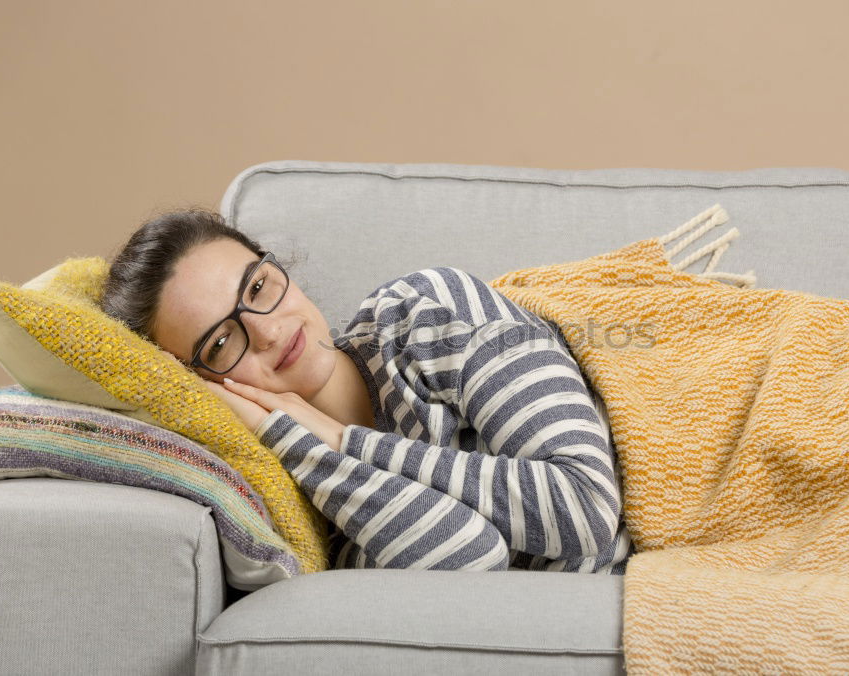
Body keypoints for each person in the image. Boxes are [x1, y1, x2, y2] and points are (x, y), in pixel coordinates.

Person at [101, 207, 635, 573]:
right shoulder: (301, 498)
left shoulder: (428, 314)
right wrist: (295, 439)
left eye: (258, 287)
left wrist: (344, 439)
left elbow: (586, 509)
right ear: (200, 386)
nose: (266, 331)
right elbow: (474, 557)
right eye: (220, 343)